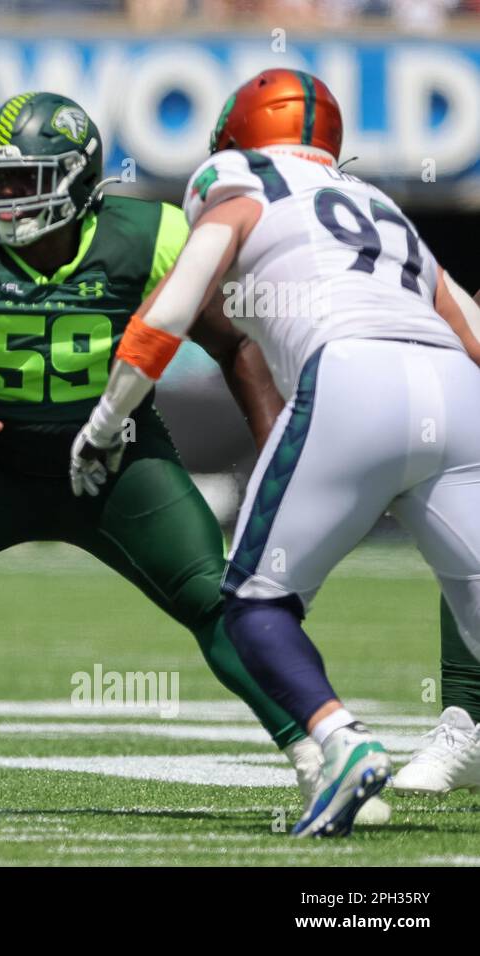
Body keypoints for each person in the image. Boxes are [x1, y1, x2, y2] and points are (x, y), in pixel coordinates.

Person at [0, 91, 375, 819]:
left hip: (114, 464)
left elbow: (236, 343)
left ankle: (315, 755)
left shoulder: (148, 235)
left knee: (218, 597)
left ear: (81, 182)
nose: (2, 199)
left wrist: (277, 448)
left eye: (24, 180)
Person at [70, 69, 480, 836]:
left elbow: (175, 303)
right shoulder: (384, 205)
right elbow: (469, 328)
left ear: (236, 134)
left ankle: (341, 740)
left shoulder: (238, 177)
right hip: (458, 392)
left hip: (352, 374)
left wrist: (105, 420)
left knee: (256, 604)